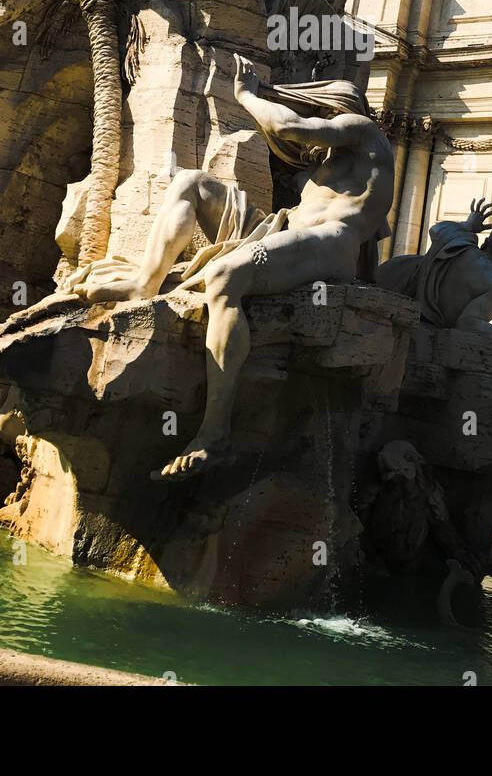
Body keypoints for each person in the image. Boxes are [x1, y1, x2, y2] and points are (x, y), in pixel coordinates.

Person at [68, 54, 394, 478]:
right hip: (282, 231)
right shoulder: (329, 161)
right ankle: (143, 284)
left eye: (312, 112)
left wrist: (246, 96)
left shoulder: (363, 130)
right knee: (190, 182)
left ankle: (213, 434)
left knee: (226, 274)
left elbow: (285, 127)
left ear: (331, 110)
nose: (308, 124)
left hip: (331, 245)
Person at [374, 198, 492, 332]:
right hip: (419, 323)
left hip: (395, 276)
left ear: (486, 243)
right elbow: (468, 323)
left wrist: (468, 225)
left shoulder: (461, 242)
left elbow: (436, 229)